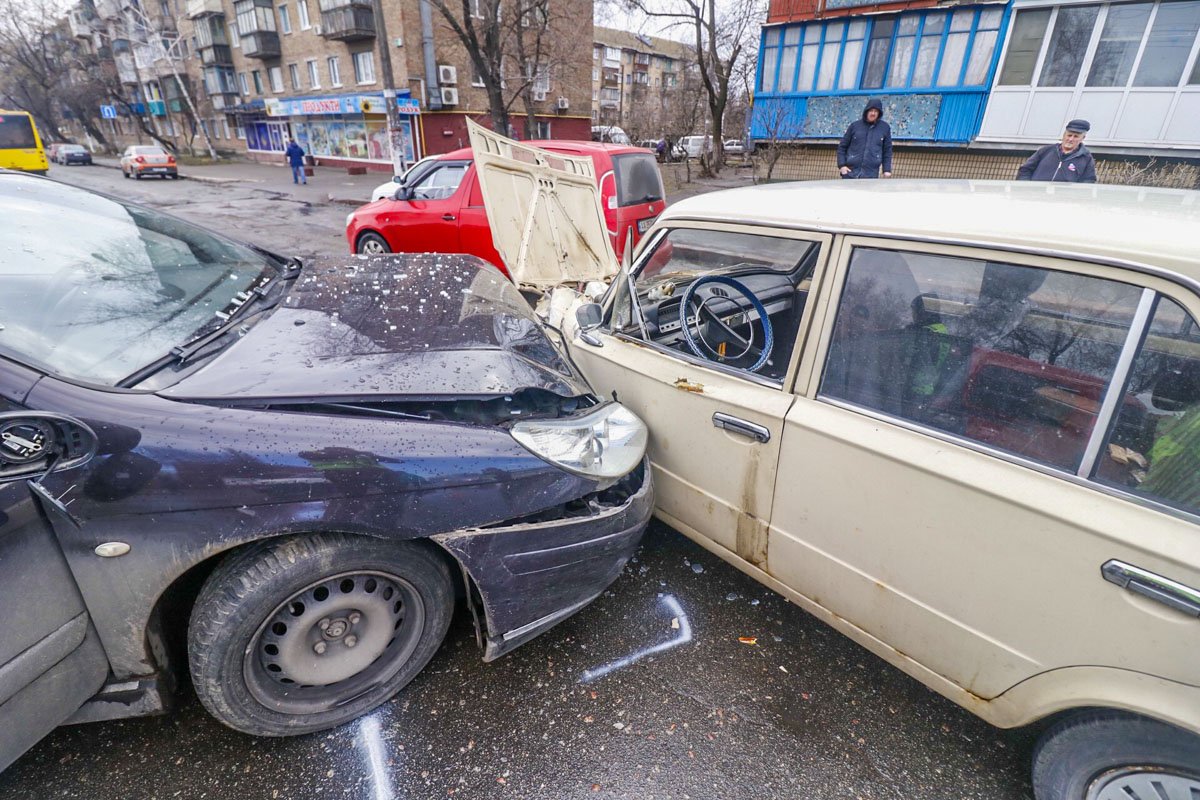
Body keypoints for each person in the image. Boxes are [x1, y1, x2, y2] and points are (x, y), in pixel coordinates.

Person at [1016, 119, 1097, 183]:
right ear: (1064, 135)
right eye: (1069, 135)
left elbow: (1088, 180)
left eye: (1076, 136)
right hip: (1036, 197)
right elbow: (1025, 170)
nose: (1070, 139)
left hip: (1063, 201)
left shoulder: (1086, 158)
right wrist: (1027, 187)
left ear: (1083, 138)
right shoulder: (1045, 151)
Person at [837, 98, 893, 179]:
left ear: (879, 114)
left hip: (871, 175)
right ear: (866, 111)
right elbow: (842, 147)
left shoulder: (885, 128)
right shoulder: (854, 126)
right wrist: (842, 166)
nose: (873, 113)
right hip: (850, 173)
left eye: (876, 111)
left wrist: (887, 170)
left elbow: (887, 151)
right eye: (871, 110)